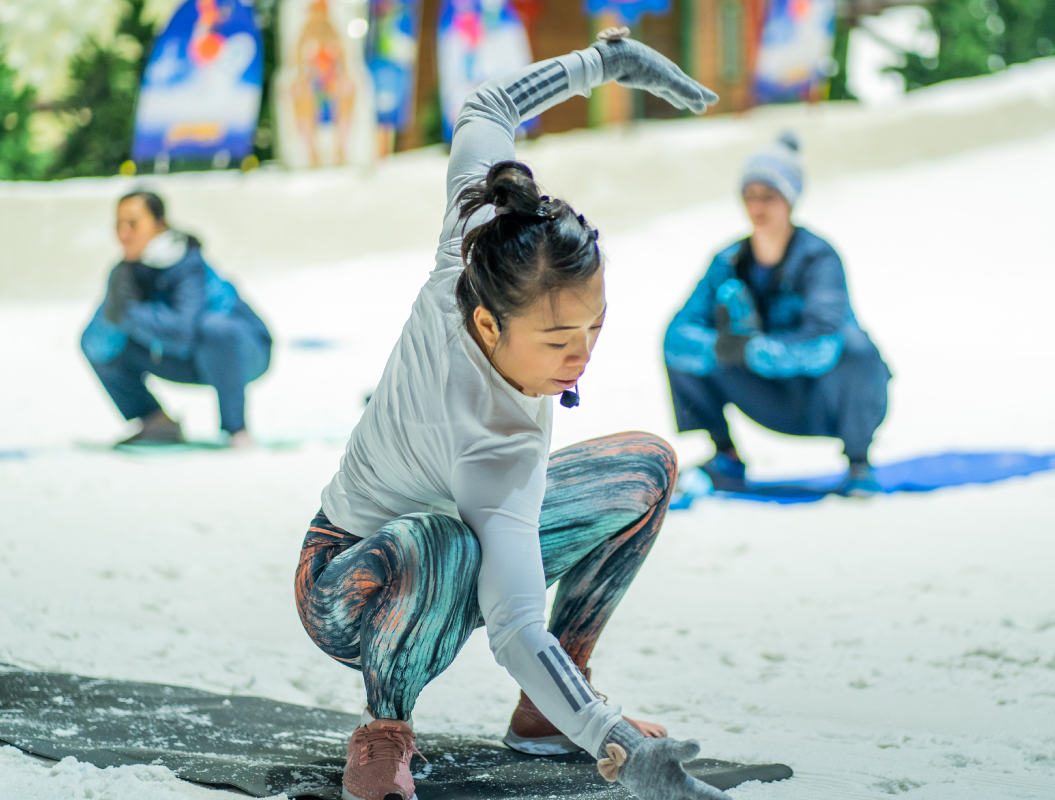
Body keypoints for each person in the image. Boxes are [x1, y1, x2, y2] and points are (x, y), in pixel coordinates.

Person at [295, 28, 732, 800]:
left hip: (457, 541)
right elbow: (514, 628)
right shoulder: (494, 452)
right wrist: (616, 739)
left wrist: (604, 62)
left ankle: (546, 711)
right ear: (490, 326)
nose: (582, 354)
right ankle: (383, 729)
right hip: (347, 582)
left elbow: (487, 107)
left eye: (595, 326)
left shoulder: (475, 243)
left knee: (644, 469)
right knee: (439, 542)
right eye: (560, 338)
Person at [664, 133, 891, 496]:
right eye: (749, 196)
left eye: (768, 196)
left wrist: (751, 350)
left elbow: (823, 343)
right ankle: (726, 456)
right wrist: (723, 348)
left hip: (822, 396)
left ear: (789, 201)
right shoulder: (728, 260)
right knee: (682, 351)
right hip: (767, 397)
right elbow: (678, 334)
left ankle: (859, 461)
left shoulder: (820, 259)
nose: (758, 207)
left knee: (859, 352)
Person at [80, 191, 272, 447]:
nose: (124, 233)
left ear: (160, 225)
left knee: (215, 329)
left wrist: (129, 313)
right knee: (106, 347)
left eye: (133, 223)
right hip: (191, 358)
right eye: (119, 225)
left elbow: (183, 332)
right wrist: (115, 309)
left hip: (246, 353)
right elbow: (94, 344)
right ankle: (156, 422)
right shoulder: (125, 273)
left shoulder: (187, 263)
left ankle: (236, 429)